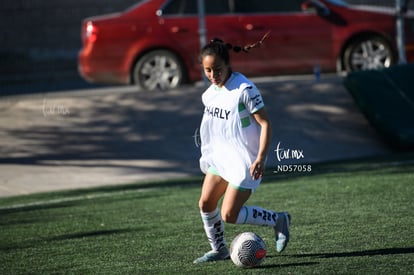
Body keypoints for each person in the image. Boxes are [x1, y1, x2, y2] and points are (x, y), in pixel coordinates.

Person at [194, 36, 291, 264]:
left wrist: (260, 158)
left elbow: (265, 123)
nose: (212, 75)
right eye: (207, 70)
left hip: (244, 161)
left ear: (228, 64)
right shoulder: (210, 93)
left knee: (229, 215)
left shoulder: (244, 89)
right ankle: (219, 250)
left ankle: (278, 220)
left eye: (217, 69)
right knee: (205, 203)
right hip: (221, 158)